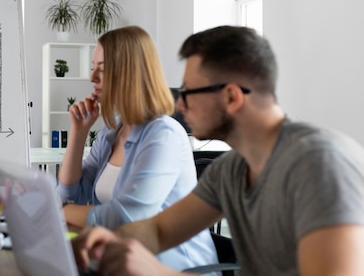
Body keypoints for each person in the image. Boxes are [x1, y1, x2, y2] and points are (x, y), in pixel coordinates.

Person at [72, 25, 364, 275]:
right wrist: (101, 240)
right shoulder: (232, 170)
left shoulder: (319, 166)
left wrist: (158, 272)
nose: (180, 105)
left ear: (232, 97)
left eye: (188, 92)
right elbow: (158, 231)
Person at [56, 26, 218, 272]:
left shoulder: (164, 135)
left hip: (174, 268)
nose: (93, 78)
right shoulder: (111, 133)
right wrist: (78, 134)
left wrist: (62, 211)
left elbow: (127, 216)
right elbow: (71, 193)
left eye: (102, 69)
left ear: (128, 73)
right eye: (93, 68)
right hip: (121, 263)